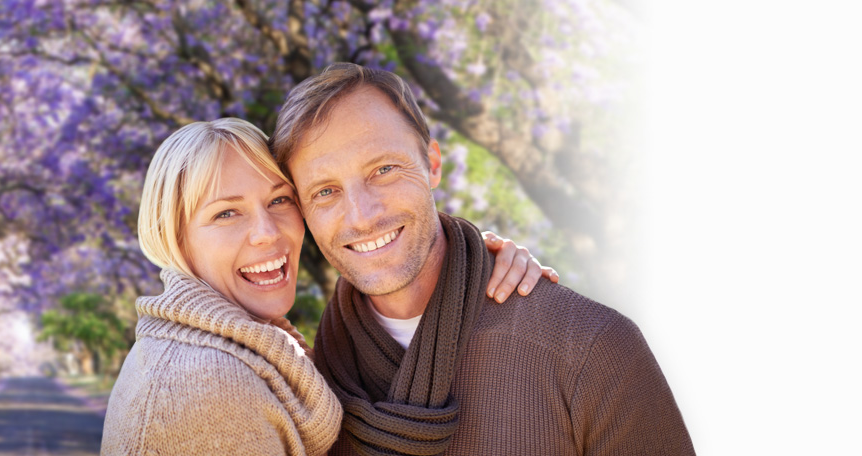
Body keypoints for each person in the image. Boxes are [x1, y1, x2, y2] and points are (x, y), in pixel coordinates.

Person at [271, 62, 694, 455]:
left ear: (432, 164)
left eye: (383, 169)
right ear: (303, 212)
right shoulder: (309, 385)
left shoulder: (591, 348)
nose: (362, 216)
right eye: (325, 191)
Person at [100, 118, 554, 455]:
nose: (267, 232)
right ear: (174, 237)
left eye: (280, 200)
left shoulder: (247, 346)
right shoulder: (206, 385)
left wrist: (470, 260)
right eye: (226, 213)